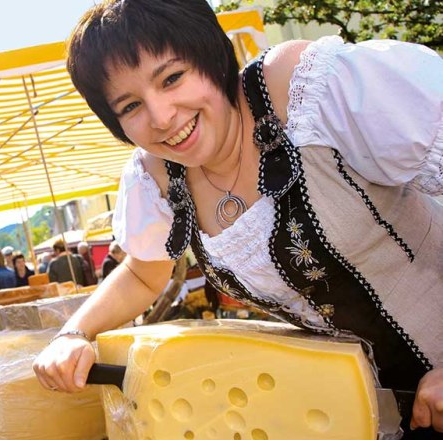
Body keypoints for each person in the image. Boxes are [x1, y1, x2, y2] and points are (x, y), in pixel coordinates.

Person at [33, 1, 443, 436]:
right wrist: (74, 334)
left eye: (172, 78)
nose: (162, 117)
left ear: (211, 56)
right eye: (131, 106)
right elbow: (142, 274)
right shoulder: (154, 176)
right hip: (378, 418)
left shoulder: (302, 88)